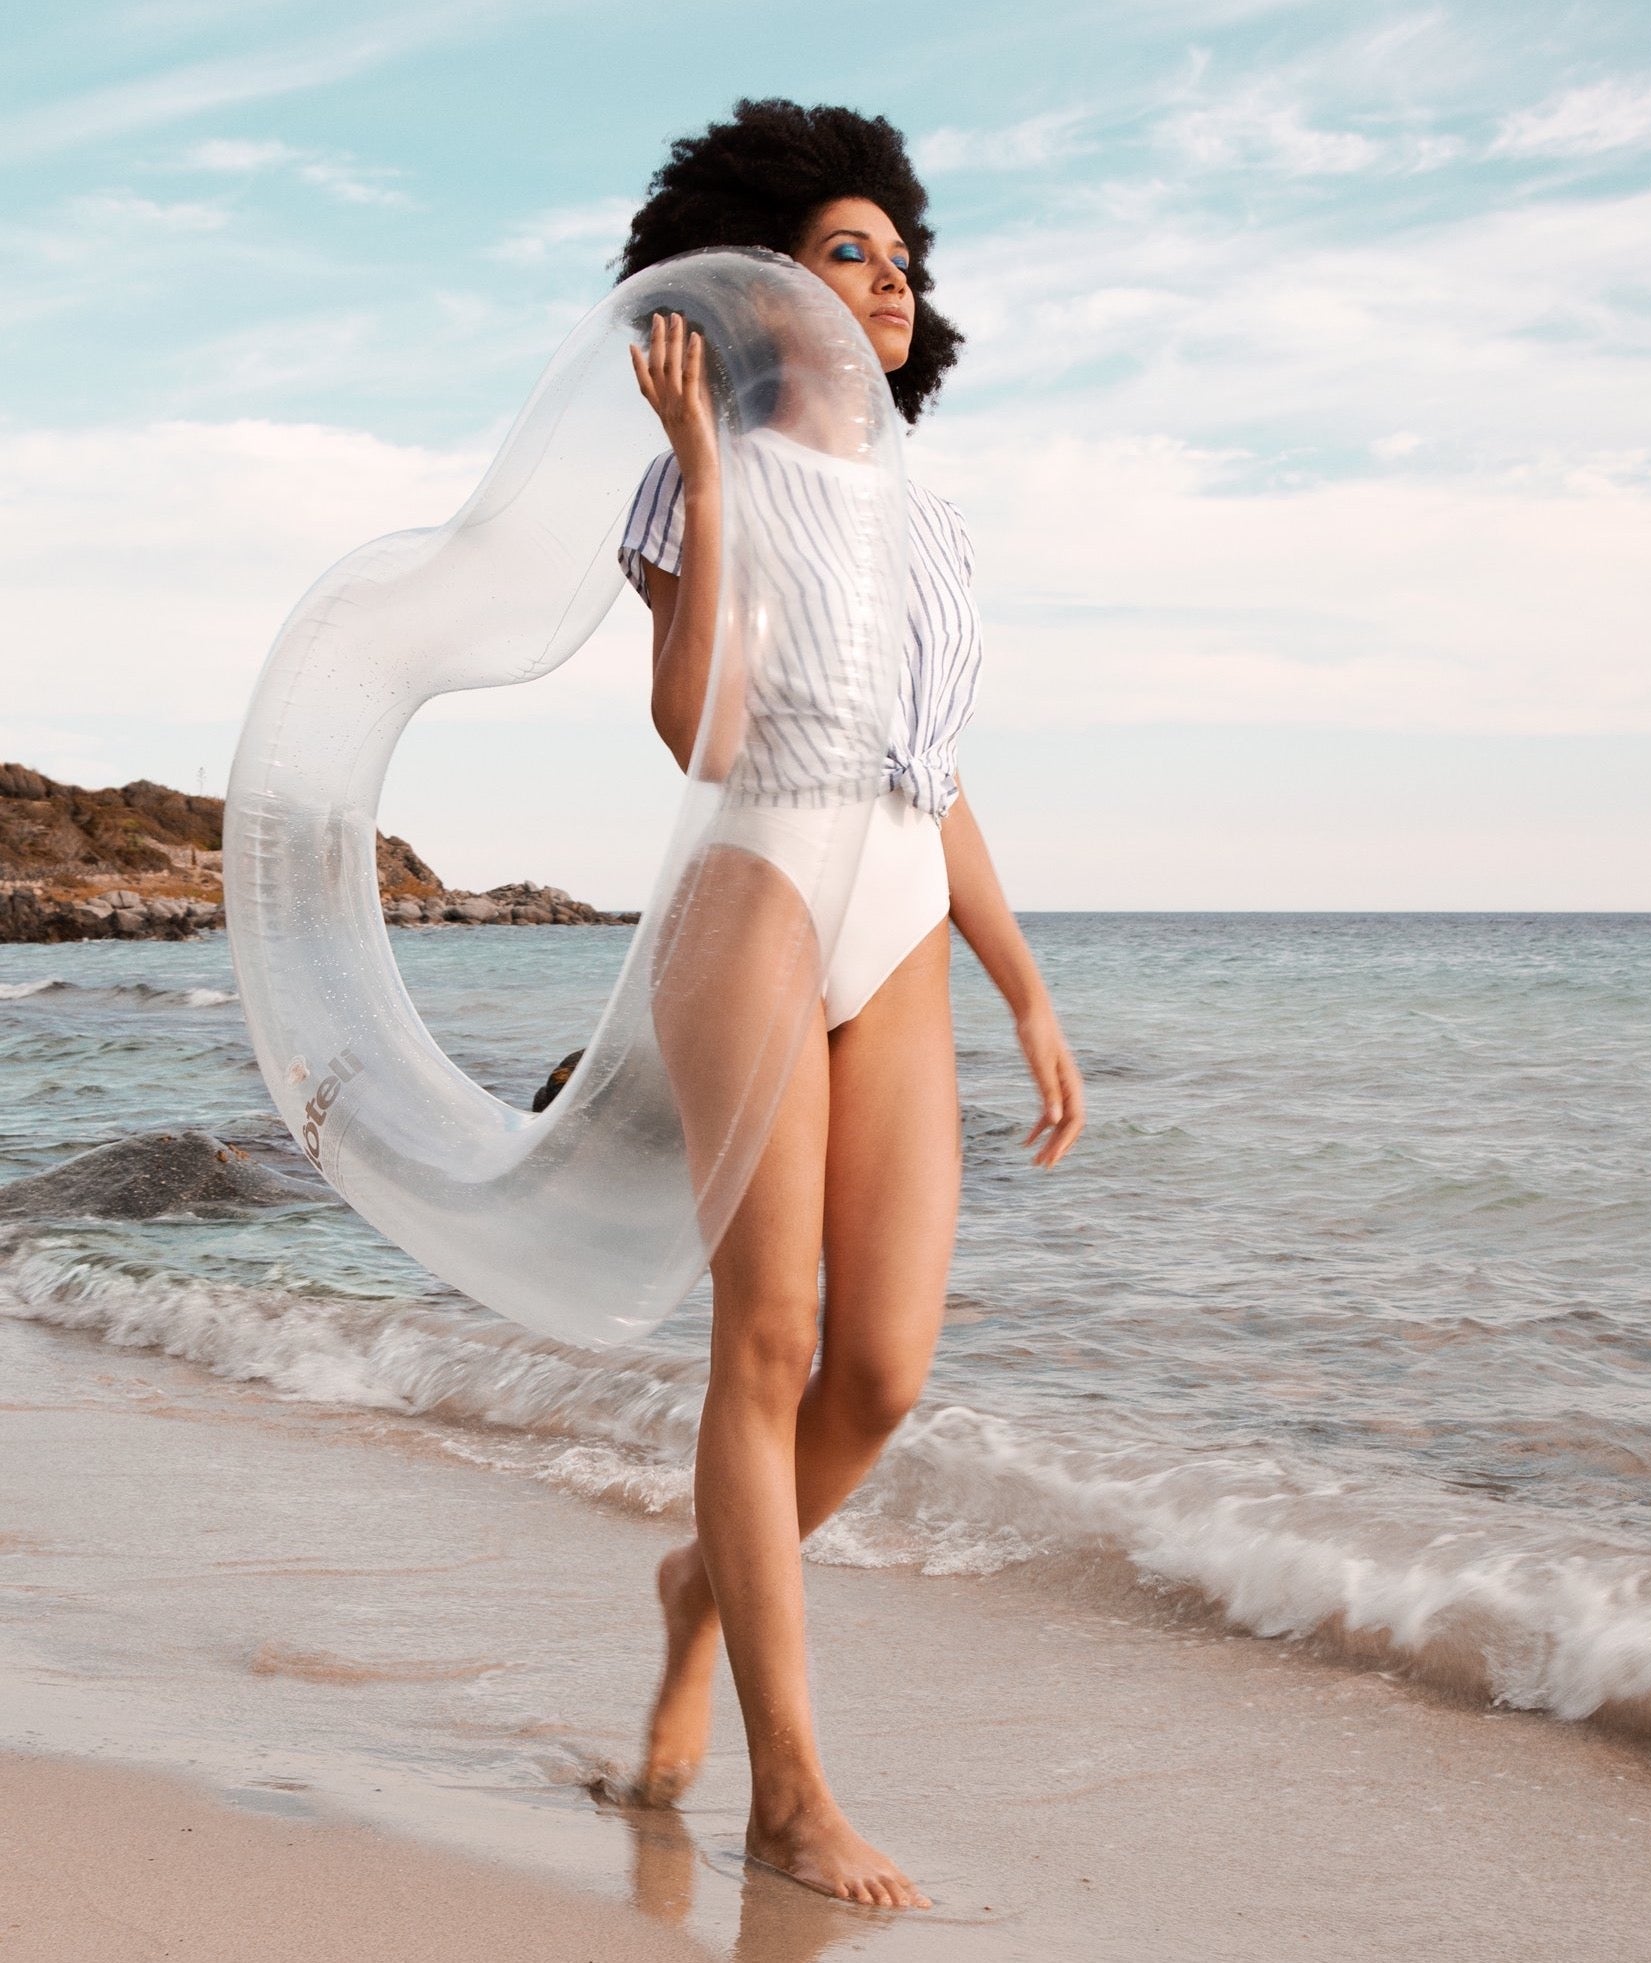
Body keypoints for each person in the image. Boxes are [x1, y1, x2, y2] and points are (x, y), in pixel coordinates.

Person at [613, 100, 1085, 1911]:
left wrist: (1024, 986)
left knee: (883, 1374)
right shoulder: (689, 469)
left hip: (893, 892)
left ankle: (701, 1581)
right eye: (845, 252)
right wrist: (712, 480)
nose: (888, 284)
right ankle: (788, 1794)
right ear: (759, 277)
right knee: (773, 1344)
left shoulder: (936, 524)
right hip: (755, 888)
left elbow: (937, 773)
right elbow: (700, 733)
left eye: (902, 260)